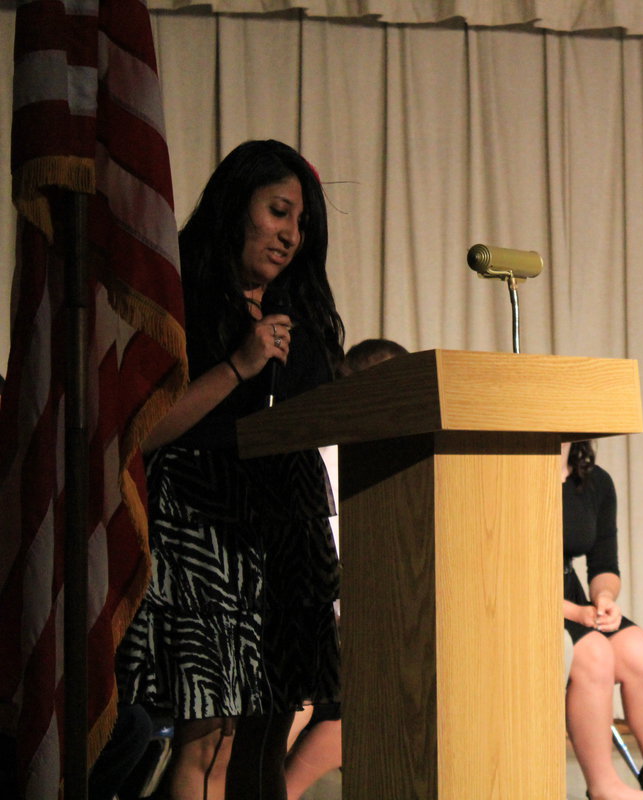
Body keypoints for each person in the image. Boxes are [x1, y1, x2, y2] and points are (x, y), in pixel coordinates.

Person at [116, 139, 344, 800]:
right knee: (210, 742)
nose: (291, 236)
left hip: (288, 535)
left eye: (301, 224)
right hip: (206, 529)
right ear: (235, 204)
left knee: (268, 735)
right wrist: (239, 366)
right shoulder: (180, 297)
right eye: (278, 213)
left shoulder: (301, 315)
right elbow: (148, 427)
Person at [283, 337, 407, 800]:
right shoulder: (325, 454)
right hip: (322, 611)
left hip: (376, 610)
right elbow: (322, 550)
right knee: (332, 698)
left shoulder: (397, 452)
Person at [562, 441, 643, 800]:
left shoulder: (594, 482)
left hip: (571, 594)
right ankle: (603, 787)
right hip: (524, 598)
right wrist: (574, 613)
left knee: (642, 654)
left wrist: (604, 598)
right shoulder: (515, 477)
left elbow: (604, 566)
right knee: (594, 653)